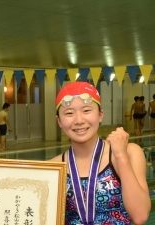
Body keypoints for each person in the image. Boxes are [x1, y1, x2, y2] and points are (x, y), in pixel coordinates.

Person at [50, 82, 150, 224]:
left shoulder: (129, 153)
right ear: (59, 121)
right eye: (69, 113)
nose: (79, 120)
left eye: (86, 111)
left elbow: (140, 216)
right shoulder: (52, 168)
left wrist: (121, 157)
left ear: (100, 115)